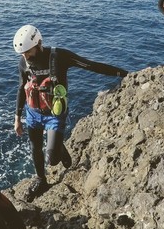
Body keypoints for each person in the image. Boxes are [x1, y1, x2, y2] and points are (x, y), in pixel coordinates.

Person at [13, 24, 128, 202]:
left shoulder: (59, 57)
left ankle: (58, 147)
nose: (25, 57)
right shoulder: (23, 62)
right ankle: (41, 179)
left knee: (53, 160)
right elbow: (21, 87)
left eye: (28, 51)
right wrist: (17, 118)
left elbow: (91, 65)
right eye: (22, 53)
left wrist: (123, 74)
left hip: (54, 114)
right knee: (34, 147)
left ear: (39, 43)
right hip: (32, 113)